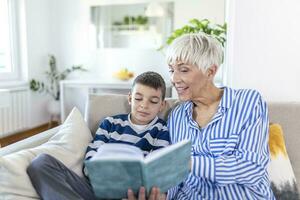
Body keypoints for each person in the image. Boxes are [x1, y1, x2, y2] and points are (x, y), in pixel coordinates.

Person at [129, 33, 275, 200]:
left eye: (183, 70)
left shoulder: (248, 102)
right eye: (171, 70)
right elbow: (177, 179)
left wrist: (188, 162)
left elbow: (252, 169)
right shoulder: (176, 116)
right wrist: (161, 195)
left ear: (210, 71)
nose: (174, 79)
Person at [27, 71, 170, 200]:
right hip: (96, 188)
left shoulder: (162, 130)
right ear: (130, 98)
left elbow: (155, 171)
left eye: (153, 101)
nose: (144, 105)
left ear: (162, 105)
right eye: (138, 98)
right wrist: (100, 173)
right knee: (40, 163)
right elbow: (90, 158)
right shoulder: (110, 123)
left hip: (130, 195)